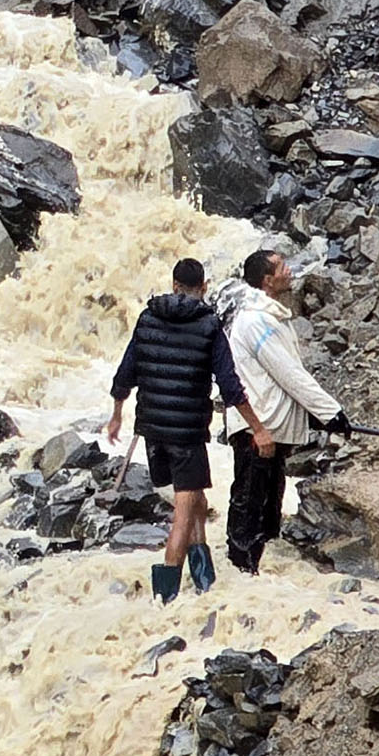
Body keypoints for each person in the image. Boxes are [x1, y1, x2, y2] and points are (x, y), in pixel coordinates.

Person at [110, 256, 276, 603]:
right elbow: (230, 386)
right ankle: (166, 594)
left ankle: (204, 578)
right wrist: (258, 429)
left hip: (152, 430)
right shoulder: (209, 324)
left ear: (173, 285)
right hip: (187, 433)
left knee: (196, 497)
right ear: (203, 289)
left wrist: (117, 414)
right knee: (184, 511)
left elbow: (126, 372)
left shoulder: (147, 318)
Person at [217, 247, 344, 576]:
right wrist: (330, 412)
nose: (290, 271)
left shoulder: (269, 317)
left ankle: (256, 566)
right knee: (249, 499)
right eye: (282, 267)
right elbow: (288, 373)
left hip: (270, 424)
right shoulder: (256, 321)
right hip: (258, 426)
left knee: (268, 499)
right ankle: (241, 565)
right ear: (267, 280)